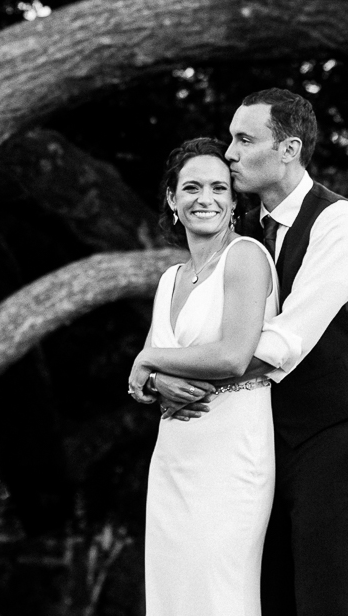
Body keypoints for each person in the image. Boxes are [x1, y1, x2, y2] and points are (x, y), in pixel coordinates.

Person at [224, 88, 348, 616]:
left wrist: (198, 376)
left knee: (329, 600)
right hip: (259, 439)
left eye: (245, 139)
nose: (230, 153)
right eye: (231, 139)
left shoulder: (341, 222)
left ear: (289, 149)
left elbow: (287, 340)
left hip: (335, 432)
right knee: (262, 599)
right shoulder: (241, 235)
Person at [128, 138, 279, 616]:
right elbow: (158, 374)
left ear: (235, 201)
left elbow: (235, 356)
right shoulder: (169, 279)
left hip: (233, 450)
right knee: (173, 594)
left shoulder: (247, 257)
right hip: (173, 455)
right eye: (191, 188)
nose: (205, 199)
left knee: (220, 590)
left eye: (218, 188)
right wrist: (152, 380)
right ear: (173, 200)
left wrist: (146, 359)